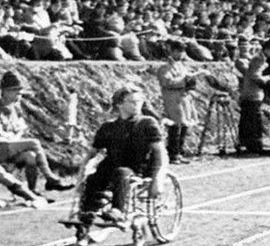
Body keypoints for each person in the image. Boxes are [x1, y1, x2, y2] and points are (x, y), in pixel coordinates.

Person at [78, 87, 166, 227]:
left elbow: (160, 153)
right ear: (119, 104)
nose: (138, 104)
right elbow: (92, 153)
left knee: (121, 172)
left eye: (140, 100)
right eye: (133, 101)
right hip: (111, 166)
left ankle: (118, 210)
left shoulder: (147, 123)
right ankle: (87, 214)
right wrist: (82, 174)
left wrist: (158, 179)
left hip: (137, 167)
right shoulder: (108, 127)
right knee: (93, 178)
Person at [0, 72, 74, 195]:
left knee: (31, 156)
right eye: (14, 91)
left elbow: (20, 129)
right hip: (2, 146)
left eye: (19, 91)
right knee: (34, 143)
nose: (18, 94)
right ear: (4, 91)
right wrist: (14, 137)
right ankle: (50, 178)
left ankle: (32, 191)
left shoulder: (16, 109)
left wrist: (15, 137)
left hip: (9, 146)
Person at [155, 40, 198, 164]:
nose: (181, 54)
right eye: (178, 51)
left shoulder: (182, 66)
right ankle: (173, 153)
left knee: (185, 124)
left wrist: (190, 83)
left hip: (183, 98)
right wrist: (184, 81)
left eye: (182, 52)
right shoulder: (165, 67)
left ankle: (179, 151)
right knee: (175, 125)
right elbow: (166, 82)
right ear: (172, 51)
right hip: (172, 98)